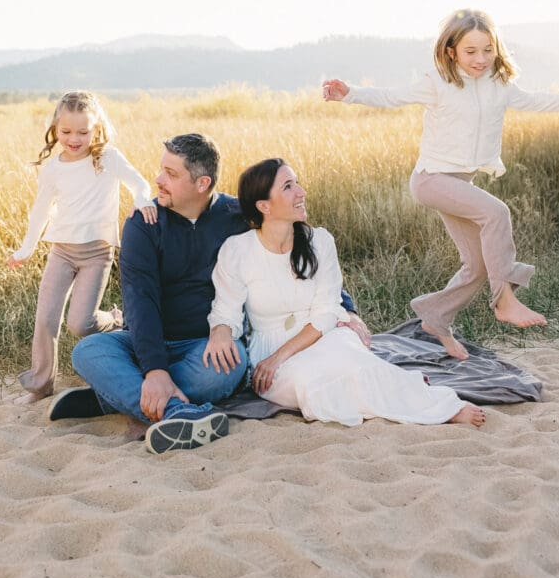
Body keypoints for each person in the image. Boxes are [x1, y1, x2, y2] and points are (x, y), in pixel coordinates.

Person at [49, 133, 369, 454]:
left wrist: (347, 308)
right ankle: (174, 410)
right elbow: (139, 301)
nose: (158, 180)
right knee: (88, 350)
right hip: (145, 341)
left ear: (202, 184)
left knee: (231, 366)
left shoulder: (236, 216)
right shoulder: (143, 223)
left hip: (205, 348)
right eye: (161, 169)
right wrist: (155, 369)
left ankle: (117, 395)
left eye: (171, 174)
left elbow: (300, 251)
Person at [322, 8, 559, 360]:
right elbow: (393, 97)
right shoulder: (438, 82)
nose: (481, 59)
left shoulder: (500, 86)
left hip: (459, 183)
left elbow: (538, 100)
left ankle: (436, 318)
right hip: (431, 179)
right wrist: (350, 93)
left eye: (488, 50)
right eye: (471, 52)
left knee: (479, 265)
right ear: (451, 51)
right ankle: (505, 299)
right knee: (496, 213)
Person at [204, 158, 485, 428]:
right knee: (309, 383)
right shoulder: (237, 250)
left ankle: (437, 406)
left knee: (352, 362)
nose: (301, 192)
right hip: (269, 349)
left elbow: (327, 311)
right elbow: (226, 310)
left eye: (297, 183)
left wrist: (279, 356)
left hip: (322, 334)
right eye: (288, 187)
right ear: (264, 205)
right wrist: (222, 331)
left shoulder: (320, 242)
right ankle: (397, 386)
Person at [8, 90, 155, 404]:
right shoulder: (53, 169)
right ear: (55, 129)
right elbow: (41, 211)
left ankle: (116, 321)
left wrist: (142, 202)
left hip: (96, 254)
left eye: (83, 132)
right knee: (46, 318)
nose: (74, 139)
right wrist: (26, 248)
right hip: (61, 250)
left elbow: (139, 183)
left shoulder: (107, 158)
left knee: (80, 323)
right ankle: (41, 385)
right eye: (66, 132)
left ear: (97, 129)